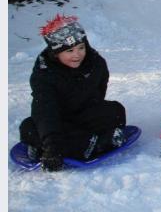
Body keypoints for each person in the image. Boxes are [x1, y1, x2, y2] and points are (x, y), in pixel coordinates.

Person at [18, 14, 127, 172]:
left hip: (83, 115)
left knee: (115, 111)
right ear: (56, 53)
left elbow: (98, 93)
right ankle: (94, 144)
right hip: (57, 119)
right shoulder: (45, 74)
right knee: (29, 127)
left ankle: (68, 143)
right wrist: (52, 146)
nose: (77, 55)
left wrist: (91, 113)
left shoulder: (95, 63)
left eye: (81, 47)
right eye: (69, 50)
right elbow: (45, 110)